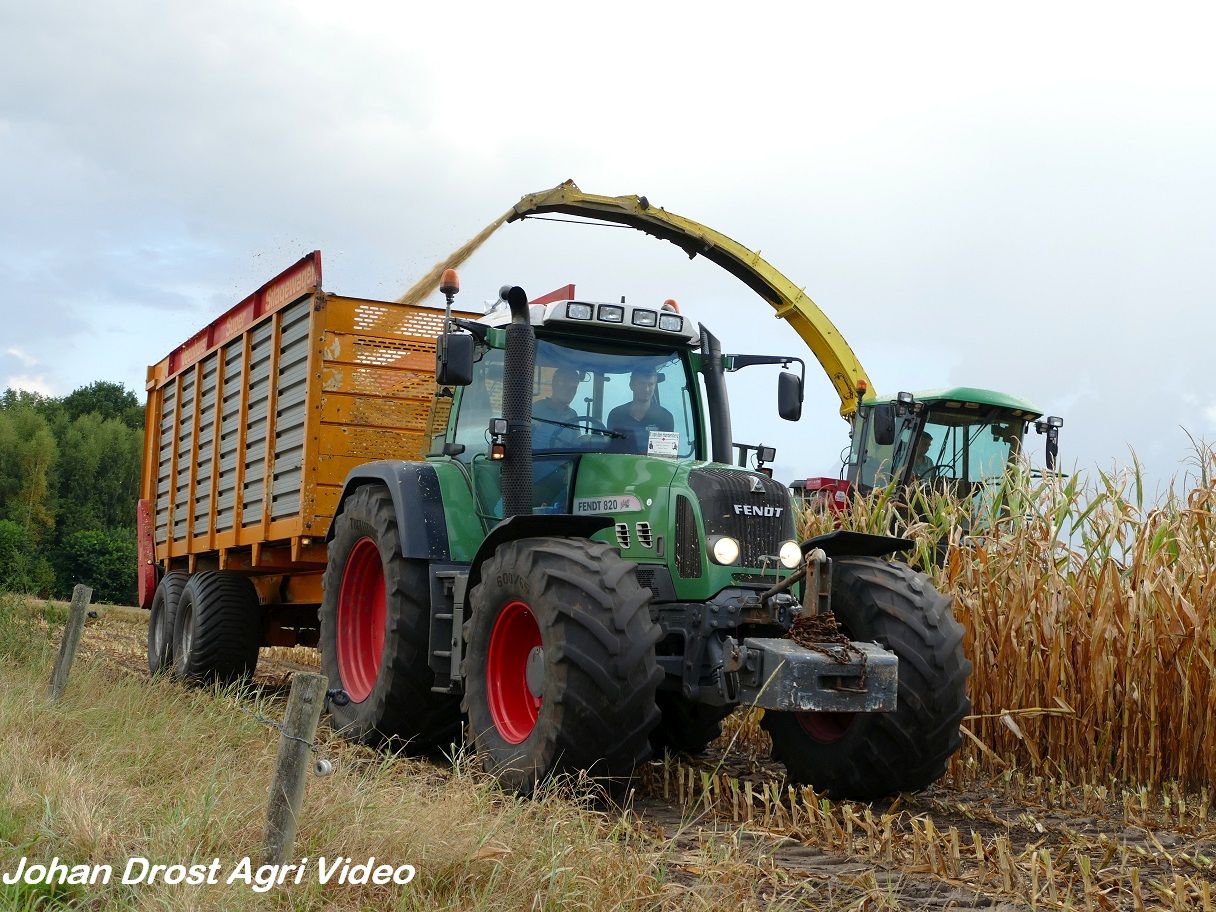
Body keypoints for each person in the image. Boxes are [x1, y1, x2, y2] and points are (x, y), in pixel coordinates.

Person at [606, 367, 674, 453]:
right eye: (642, 384)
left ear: (655, 385)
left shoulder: (665, 418)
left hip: (652, 466)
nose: (646, 389)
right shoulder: (616, 415)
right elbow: (611, 452)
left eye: (650, 384)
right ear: (632, 385)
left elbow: (664, 457)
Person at [532, 367, 582, 449]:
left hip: (566, 460)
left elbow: (576, 443)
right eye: (566, 386)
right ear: (554, 385)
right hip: (537, 459)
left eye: (574, 388)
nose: (570, 392)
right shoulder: (537, 409)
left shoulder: (572, 414)